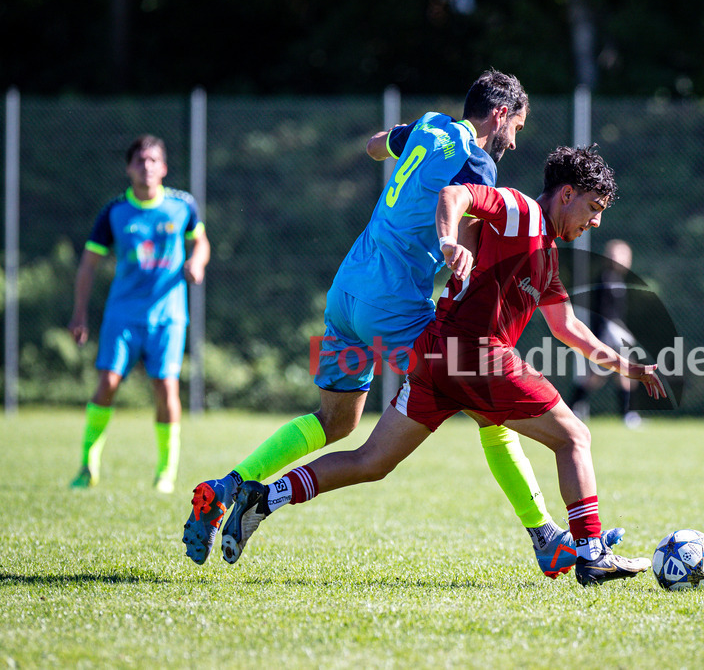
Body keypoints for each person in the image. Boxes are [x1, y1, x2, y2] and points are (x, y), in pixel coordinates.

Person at [183, 70, 620, 576]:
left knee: (337, 421)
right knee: (482, 398)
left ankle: (226, 487)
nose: (516, 140)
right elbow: (466, 222)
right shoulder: (478, 164)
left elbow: (374, 146)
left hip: (347, 290)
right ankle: (546, 537)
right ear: (500, 114)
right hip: (392, 304)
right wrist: (454, 245)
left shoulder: (431, 125)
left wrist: (407, 150)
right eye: (517, 126)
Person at [220, 145, 666, 587]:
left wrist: (628, 367)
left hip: (438, 359)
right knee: (574, 436)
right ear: (566, 194)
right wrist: (449, 240)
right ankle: (591, 552)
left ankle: (263, 498)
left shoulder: (546, 252)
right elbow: (455, 196)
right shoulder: (521, 210)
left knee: (371, 461)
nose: (596, 222)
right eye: (594, 207)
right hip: (477, 354)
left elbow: (567, 327)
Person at [69, 134, 210, 493]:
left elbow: (201, 241)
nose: (146, 167)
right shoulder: (115, 212)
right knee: (108, 384)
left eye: (153, 160)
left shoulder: (182, 205)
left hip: (168, 316)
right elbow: (88, 265)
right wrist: (80, 313)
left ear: (163, 167)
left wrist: (196, 261)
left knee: (165, 387)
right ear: (129, 168)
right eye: (139, 161)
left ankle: (166, 472)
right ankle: (88, 463)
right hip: (123, 316)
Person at [569, 239, 643, 428]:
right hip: (606, 338)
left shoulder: (616, 280)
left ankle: (573, 408)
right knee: (622, 373)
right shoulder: (606, 279)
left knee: (599, 377)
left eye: (625, 256)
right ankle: (628, 415)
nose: (622, 259)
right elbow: (605, 315)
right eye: (618, 255)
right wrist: (617, 334)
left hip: (611, 337)